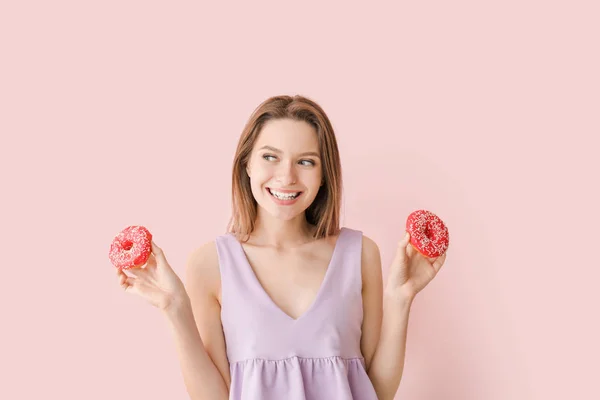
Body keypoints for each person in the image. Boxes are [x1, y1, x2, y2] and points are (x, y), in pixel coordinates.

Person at [116, 95, 448, 400]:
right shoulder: (210, 263)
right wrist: (175, 307)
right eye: (270, 157)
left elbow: (376, 391)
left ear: (324, 175)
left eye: (306, 162)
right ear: (247, 164)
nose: (286, 176)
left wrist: (400, 300)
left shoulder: (360, 254)